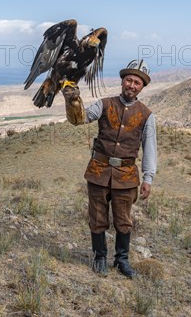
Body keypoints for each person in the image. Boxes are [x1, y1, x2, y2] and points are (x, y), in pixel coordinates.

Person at [62, 59, 157, 278]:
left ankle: (122, 260)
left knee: (123, 220)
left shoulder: (147, 115)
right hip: (98, 171)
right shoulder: (104, 104)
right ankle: (99, 258)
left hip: (126, 176)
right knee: (97, 217)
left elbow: (150, 148)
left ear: (142, 87)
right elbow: (81, 119)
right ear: (122, 81)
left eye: (137, 83)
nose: (132, 85)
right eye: (129, 80)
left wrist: (148, 178)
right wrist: (73, 101)